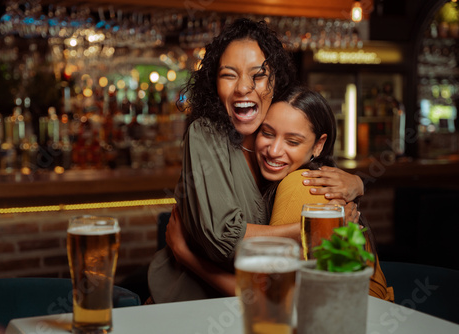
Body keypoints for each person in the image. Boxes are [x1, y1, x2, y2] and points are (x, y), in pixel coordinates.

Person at [147, 18, 365, 303]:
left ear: (275, 82)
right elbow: (224, 241)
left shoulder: (278, 139)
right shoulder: (206, 133)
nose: (243, 88)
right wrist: (314, 228)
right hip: (186, 305)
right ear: (214, 82)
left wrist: (358, 183)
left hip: (257, 307)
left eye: (258, 75)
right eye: (229, 75)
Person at [167, 86, 394, 301]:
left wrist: (186, 256)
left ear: (318, 145)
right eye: (267, 133)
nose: (274, 151)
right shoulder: (311, 180)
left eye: (292, 141)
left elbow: (266, 294)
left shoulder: (299, 185)